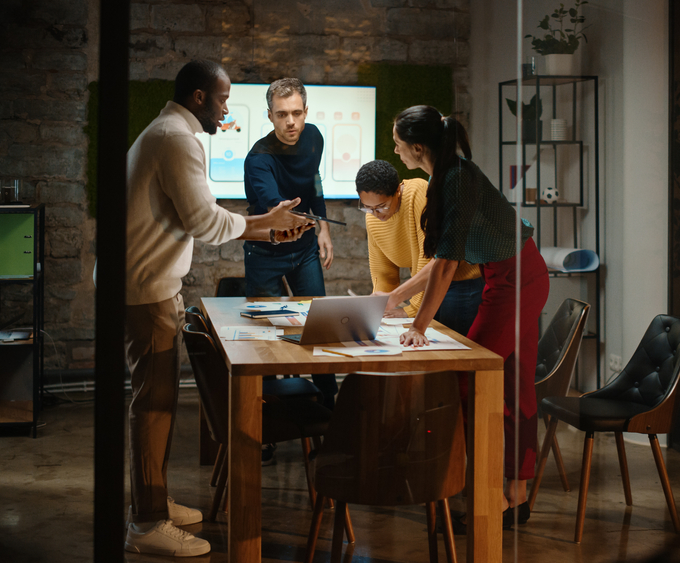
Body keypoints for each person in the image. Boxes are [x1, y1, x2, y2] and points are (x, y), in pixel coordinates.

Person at [124, 60, 313, 557]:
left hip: (148, 285)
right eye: (224, 98)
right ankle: (146, 522)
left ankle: (153, 502)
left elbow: (198, 220)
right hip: (146, 289)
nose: (227, 109)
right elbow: (204, 222)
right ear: (200, 97)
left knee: (157, 404)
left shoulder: (165, 132)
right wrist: (264, 225)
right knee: (153, 407)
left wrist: (265, 225)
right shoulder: (176, 138)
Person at [391, 106, 550, 528]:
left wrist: (418, 325)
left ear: (417, 147)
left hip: (516, 279)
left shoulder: (455, 179)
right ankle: (514, 495)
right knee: (513, 385)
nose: (395, 150)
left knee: (470, 380)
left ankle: (488, 495)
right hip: (513, 275)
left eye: (398, 143)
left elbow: (447, 264)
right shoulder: (447, 175)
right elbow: (442, 259)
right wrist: (398, 297)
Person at [242, 78, 338, 420]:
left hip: (306, 249)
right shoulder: (258, 158)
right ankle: (264, 421)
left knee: (319, 329)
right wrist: (291, 215)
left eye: (296, 113)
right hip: (265, 252)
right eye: (282, 114)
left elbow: (314, 182)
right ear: (270, 116)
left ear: (306, 112)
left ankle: (329, 410)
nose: (291, 122)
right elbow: (275, 209)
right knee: (266, 337)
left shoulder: (314, 137)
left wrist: (323, 228)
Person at [354, 159, 483, 336]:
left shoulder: (418, 193)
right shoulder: (372, 218)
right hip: (426, 284)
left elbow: (428, 257)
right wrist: (379, 306)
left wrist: (412, 309)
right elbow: (383, 272)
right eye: (368, 208)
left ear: (397, 191)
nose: (376, 214)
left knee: (453, 344)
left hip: (459, 282)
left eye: (382, 207)